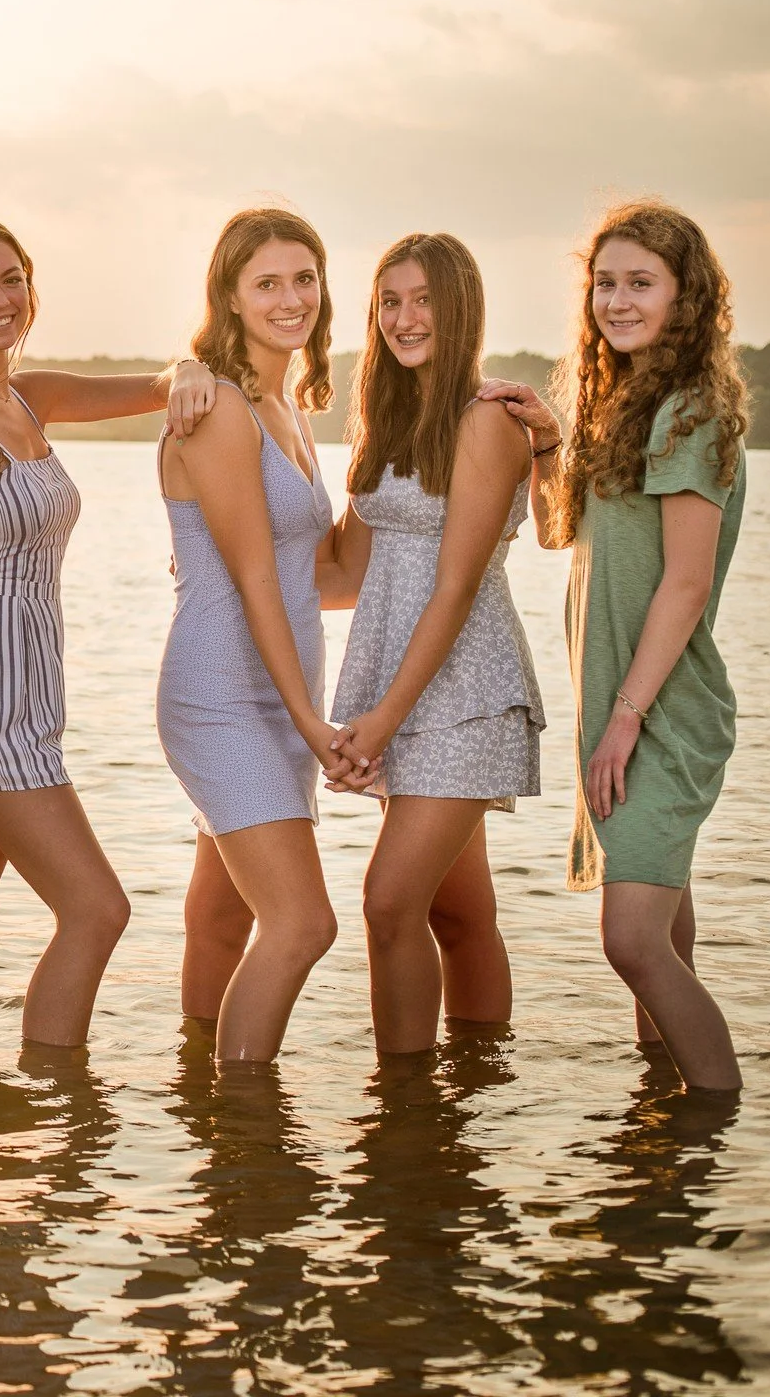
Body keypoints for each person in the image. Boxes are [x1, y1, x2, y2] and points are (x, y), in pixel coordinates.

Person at [0, 212, 216, 1048]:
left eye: (11, 279)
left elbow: (157, 385)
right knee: (97, 910)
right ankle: (61, 1108)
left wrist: (187, 369)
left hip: (25, 695)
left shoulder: (31, 397)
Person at [480, 202, 749, 1093]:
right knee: (664, 934)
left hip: (663, 709)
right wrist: (551, 442)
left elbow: (686, 583)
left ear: (687, 296)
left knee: (631, 940)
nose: (618, 301)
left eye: (642, 283)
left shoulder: (689, 414)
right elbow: (560, 534)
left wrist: (626, 719)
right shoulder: (620, 407)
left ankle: (715, 1118)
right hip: (626, 703)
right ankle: (663, 1124)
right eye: (605, 283)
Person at [156, 207, 366, 1064]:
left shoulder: (288, 408)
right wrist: (314, 727)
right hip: (222, 693)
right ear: (231, 297)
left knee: (220, 920)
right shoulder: (220, 410)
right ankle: (248, 1135)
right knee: (302, 923)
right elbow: (250, 584)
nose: (291, 299)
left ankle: (196, 1105)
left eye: (304, 278)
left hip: (278, 693)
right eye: (267, 283)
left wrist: (401, 461)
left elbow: (329, 579)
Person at [327, 233, 539, 1053]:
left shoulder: (484, 422)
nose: (405, 319)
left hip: (466, 693)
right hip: (403, 689)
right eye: (390, 301)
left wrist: (380, 719)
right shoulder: (387, 422)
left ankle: (404, 1112)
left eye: (424, 302)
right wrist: (218, 549)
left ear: (461, 312)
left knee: (388, 901)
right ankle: (480, 1089)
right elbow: (343, 575)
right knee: (457, 909)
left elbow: (454, 590)